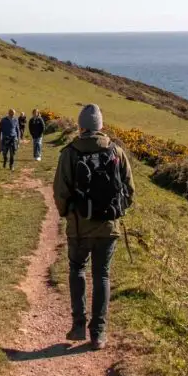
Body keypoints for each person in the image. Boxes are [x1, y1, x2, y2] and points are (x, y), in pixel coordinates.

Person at [52, 104, 134, 350]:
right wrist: (116, 212)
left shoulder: (70, 152)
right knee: (102, 275)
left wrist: (66, 213)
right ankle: (98, 333)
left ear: (81, 126)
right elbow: (129, 190)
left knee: (77, 270)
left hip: (78, 227)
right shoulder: (116, 151)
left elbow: (60, 191)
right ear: (101, 127)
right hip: (108, 228)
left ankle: (78, 326)